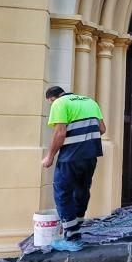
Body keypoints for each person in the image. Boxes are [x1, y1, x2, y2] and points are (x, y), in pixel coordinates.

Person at [42, 86, 105, 241]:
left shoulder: (60, 103)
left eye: (50, 103)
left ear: (52, 99)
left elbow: (60, 133)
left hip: (70, 156)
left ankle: (71, 235)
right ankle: (78, 223)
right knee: (82, 189)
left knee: (62, 191)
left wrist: (49, 156)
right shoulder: (90, 102)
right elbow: (102, 129)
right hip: (90, 155)